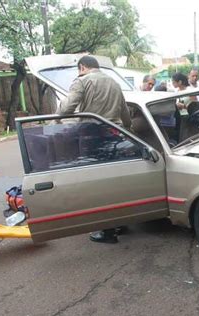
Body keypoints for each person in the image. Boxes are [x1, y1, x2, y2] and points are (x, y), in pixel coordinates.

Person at [57, 55, 131, 244]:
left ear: (82, 67)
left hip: (92, 136)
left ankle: (107, 232)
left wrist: (57, 117)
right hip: (115, 135)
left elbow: (66, 108)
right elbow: (125, 113)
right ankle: (121, 223)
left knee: (99, 184)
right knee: (115, 182)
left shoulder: (82, 81)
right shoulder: (114, 81)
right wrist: (127, 131)